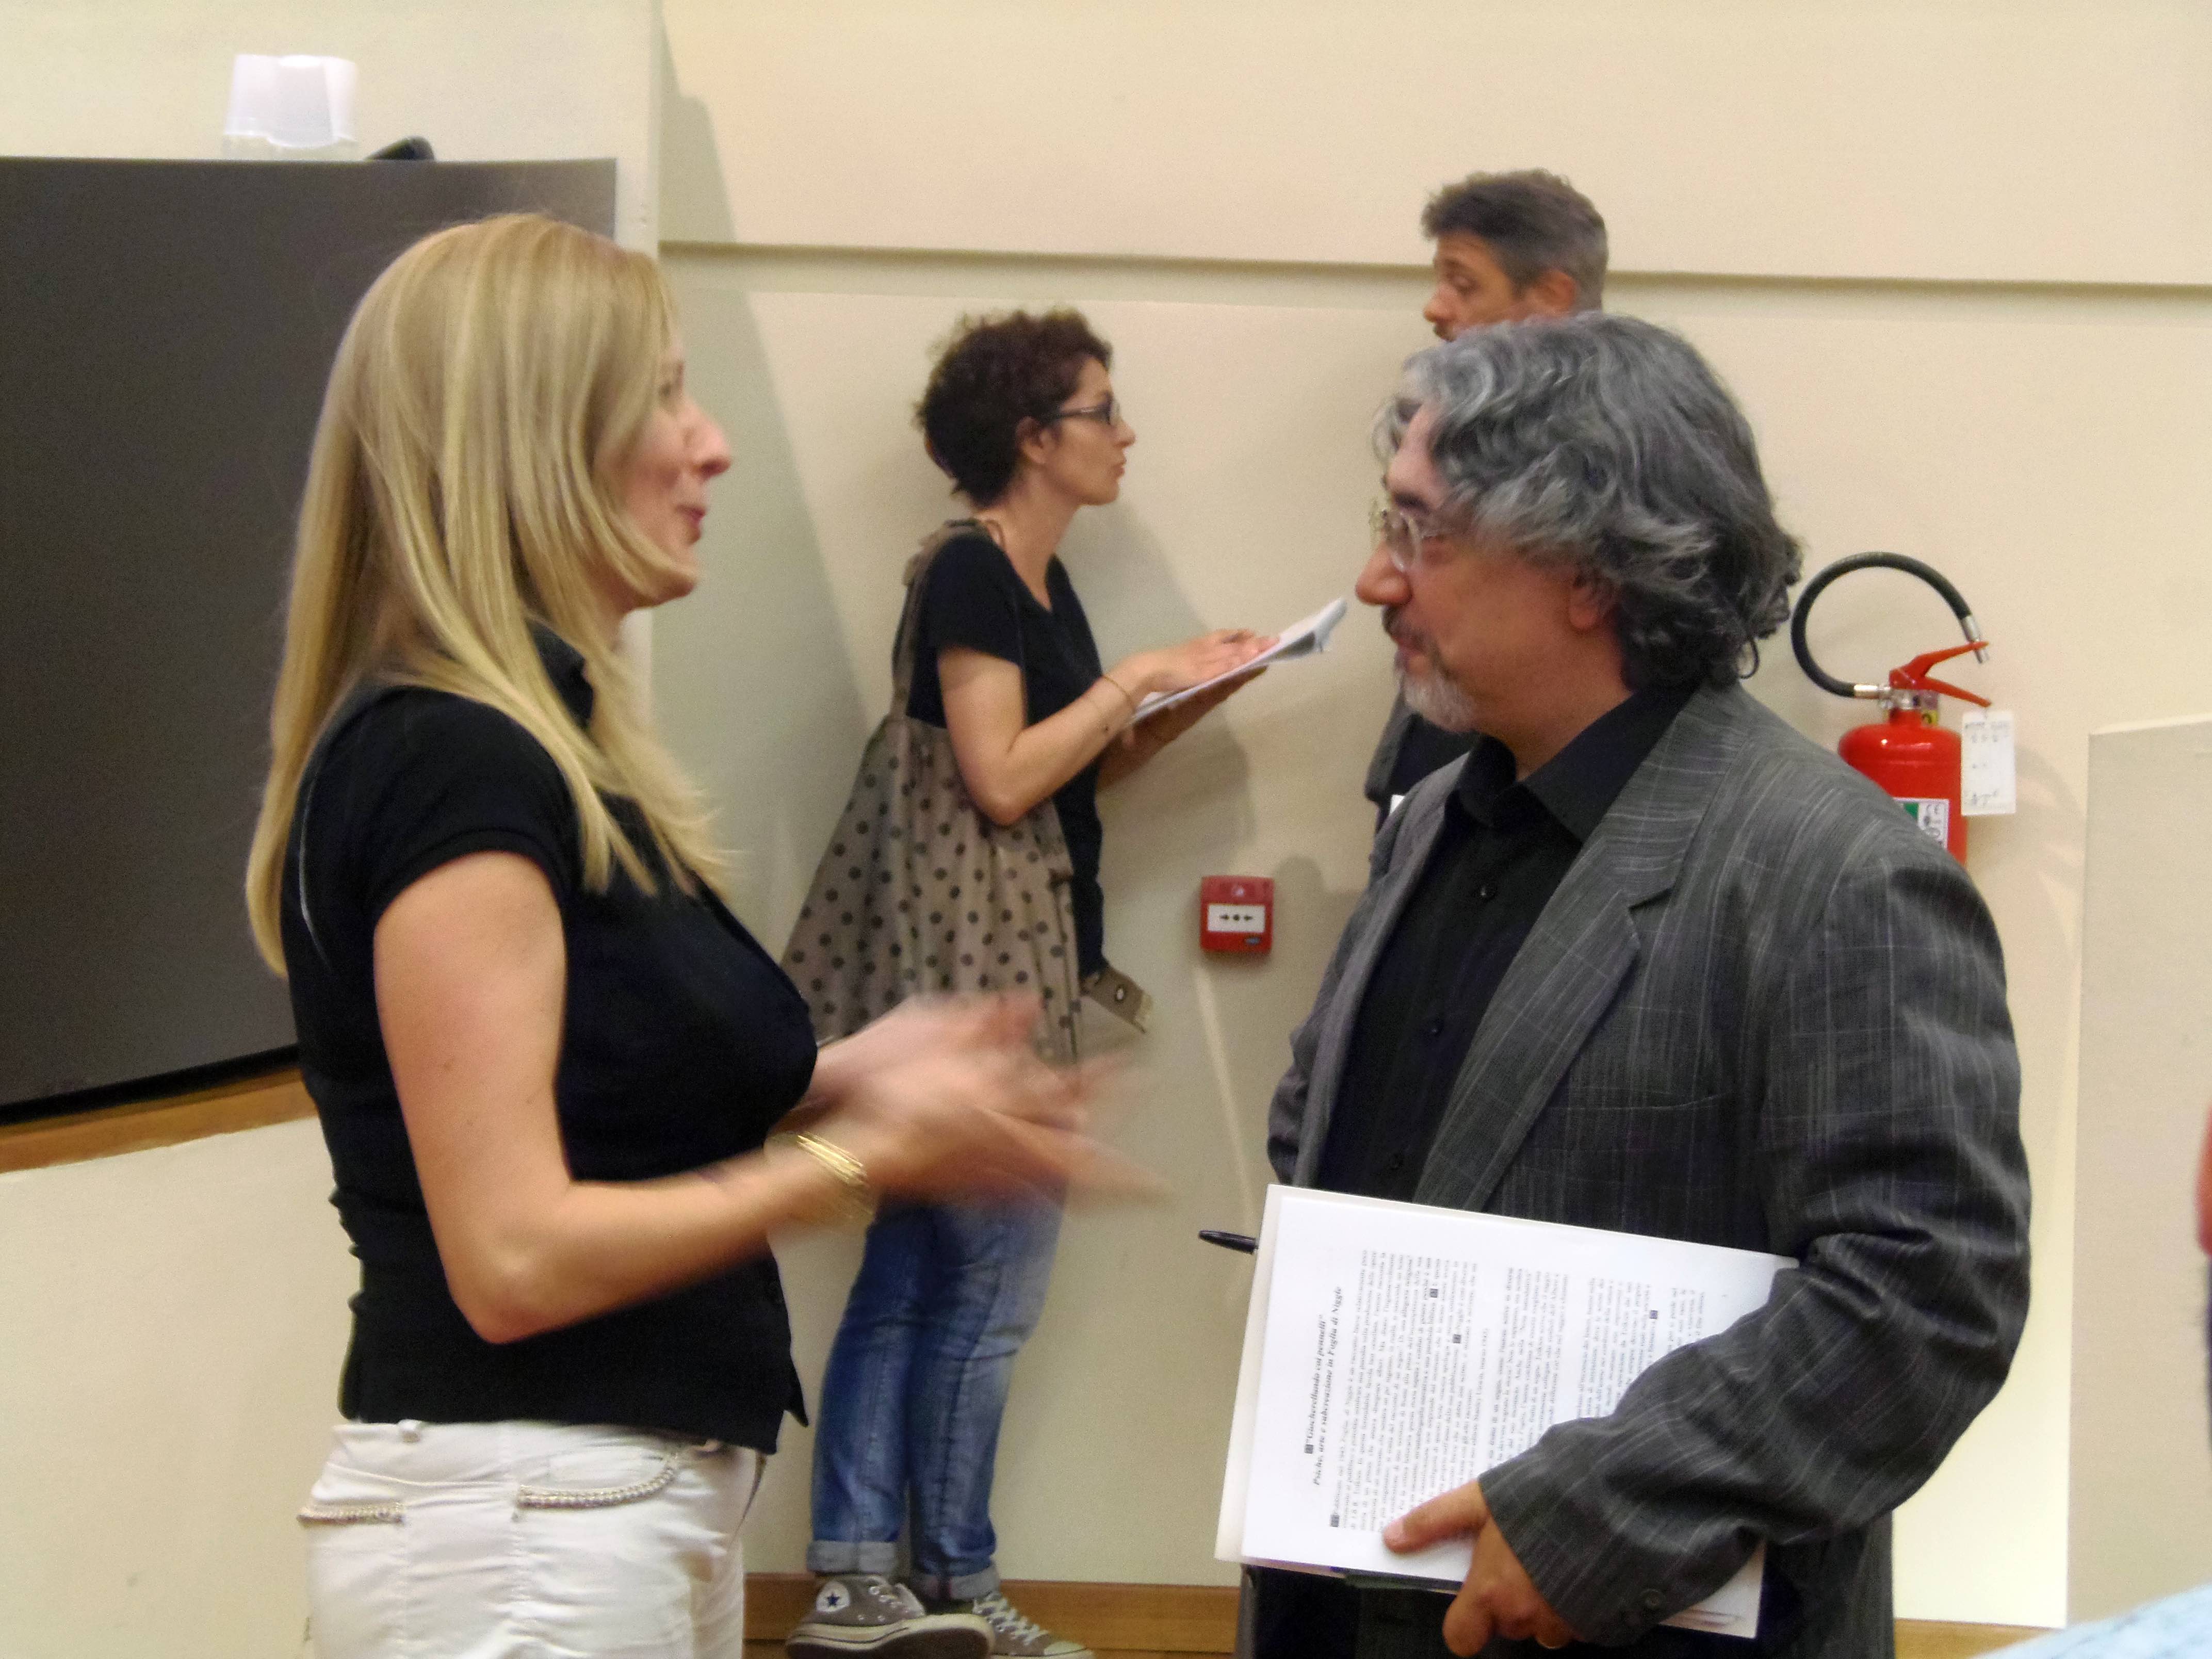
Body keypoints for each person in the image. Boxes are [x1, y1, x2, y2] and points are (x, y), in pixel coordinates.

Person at [242, 214, 1108, 1658]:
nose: (711, 445)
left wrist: (858, 1071)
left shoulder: (547, 746)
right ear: (533, 440)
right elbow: (513, 1259)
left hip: (601, 1503)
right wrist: (860, 1159)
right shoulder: (454, 762)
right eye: (661, 397)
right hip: (524, 1523)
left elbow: (609, 1084)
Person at [1251, 313, 2031, 1659]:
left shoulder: (1834, 873)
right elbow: (1330, 1128)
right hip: (1342, 1600)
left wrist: (1603, 1511)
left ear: (1587, 571)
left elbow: (1927, 1295)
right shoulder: (1433, 817)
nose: (1378, 580)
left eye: (1423, 532)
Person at [790, 310, 1270, 1659]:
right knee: (985, 1289)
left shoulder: (1035, 583)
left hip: (993, 953)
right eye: (1101, 411)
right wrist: (1135, 677)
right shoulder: (970, 571)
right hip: (977, 967)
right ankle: (947, 1582)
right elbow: (999, 781)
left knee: (915, 1268)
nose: (1125, 435)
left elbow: (1063, 772)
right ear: (1031, 438)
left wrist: (1192, 696)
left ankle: (862, 1582)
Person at [1366, 169, 1609, 830]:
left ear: (1551, 298)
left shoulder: (1609, 456)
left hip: (1530, 797)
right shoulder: (1437, 421)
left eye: (1464, 283)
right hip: (1436, 763)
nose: (1435, 307)